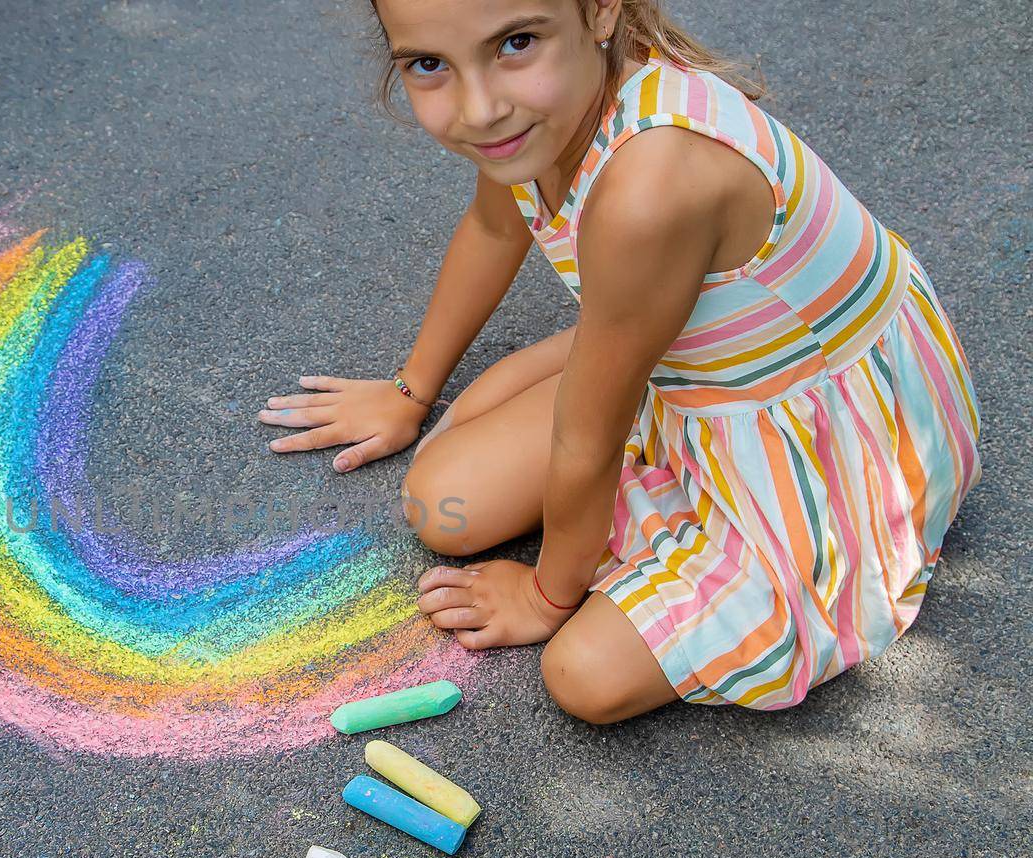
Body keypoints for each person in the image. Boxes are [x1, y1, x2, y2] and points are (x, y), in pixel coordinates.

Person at [259, 0, 983, 724]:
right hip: (692, 361)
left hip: (817, 435)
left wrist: (547, 596)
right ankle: (613, 342)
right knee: (438, 504)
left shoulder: (652, 186)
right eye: (430, 65)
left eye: (515, 43)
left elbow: (589, 437)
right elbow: (492, 224)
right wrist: (410, 391)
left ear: (601, 10)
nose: (478, 108)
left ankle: (615, 349)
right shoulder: (535, 121)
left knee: (583, 674)